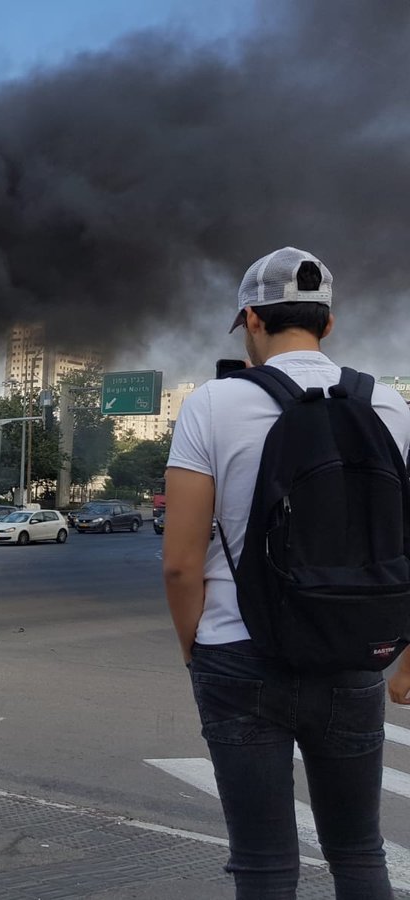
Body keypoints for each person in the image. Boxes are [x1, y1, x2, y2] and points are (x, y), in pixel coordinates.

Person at [164, 247, 410, 899]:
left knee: (265, 863)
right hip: (355, 652)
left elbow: (181, 560)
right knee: (359, 851)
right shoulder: (388, 406)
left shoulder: (211, 405)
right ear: (327, 324)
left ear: (251, 318)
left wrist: (196, 645)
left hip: (237, 657)